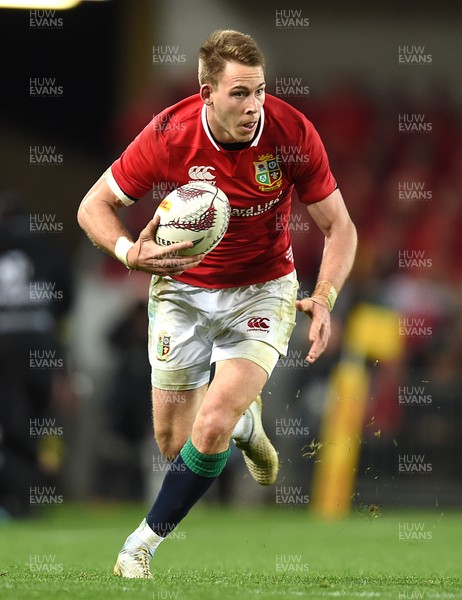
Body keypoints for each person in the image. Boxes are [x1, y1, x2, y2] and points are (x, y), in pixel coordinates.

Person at [77, 29, 357, 578]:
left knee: (210, 427)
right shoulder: (169, 133)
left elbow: (340, 227)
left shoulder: (291, 131)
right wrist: (129, 251)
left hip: (263, 287)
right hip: (181, 289)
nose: (254, 106)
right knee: (176, 443)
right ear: (206, 93)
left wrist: (323, 298)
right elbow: (94, 206)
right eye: (238, 94)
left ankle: (139, 547)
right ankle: (246, 428)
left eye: (259, 91)